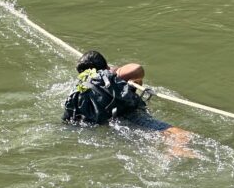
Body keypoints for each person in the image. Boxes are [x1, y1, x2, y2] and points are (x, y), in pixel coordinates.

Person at [63, 50, 194, 157]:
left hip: (109, 124)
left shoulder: (80, 88)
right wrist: (116, 72)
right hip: (130, 116)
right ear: (105, 66)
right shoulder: (108, 76)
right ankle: (176, 151)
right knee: (181, 134)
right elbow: (138, 69)